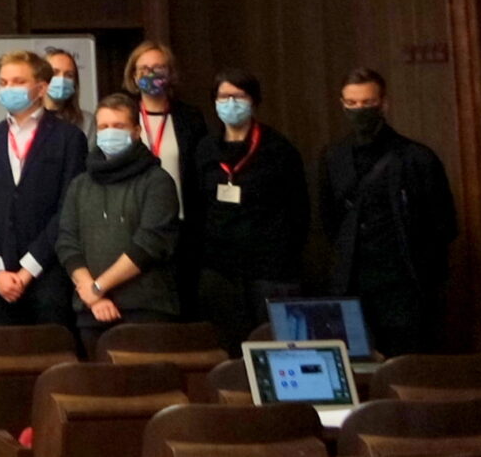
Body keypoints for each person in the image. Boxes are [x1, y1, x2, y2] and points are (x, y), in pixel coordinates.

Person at [318, 68, 456, 356]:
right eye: (352, 104)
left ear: (384, 104)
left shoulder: (416, 158)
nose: (359, 110)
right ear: (342, 104)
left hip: (404, 286)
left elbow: (444, 224)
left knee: (406, 367)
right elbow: (329, 219)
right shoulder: (334, 156)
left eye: (367, 103)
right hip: (351, 284)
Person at [190, 69, 309, 353]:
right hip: (219, 272)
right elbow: (196, 208)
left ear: (253, 100)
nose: (230, 103)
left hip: (268, 272)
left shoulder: (278, 149)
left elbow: (298, 213)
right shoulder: (205, 149)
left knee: (272, 348)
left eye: (238, 96)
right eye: (223, 96)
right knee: (227, 351)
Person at [0, 50, 90, 332]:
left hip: (47, 271)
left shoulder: (68, 138)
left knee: (51, 360)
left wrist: (28, 270)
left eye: (17, 81)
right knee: (7, 365)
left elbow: (68, 209)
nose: (8, 89)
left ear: (41, 88)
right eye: (3, 83)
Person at [57, 94, 182, 350]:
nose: (109, 133)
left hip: (145, 310)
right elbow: (67, 242)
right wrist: (92, 296)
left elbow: (149, 244)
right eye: (103, 127)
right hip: (90, 313)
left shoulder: (157, 181)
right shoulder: (81, 184)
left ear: (136, 132)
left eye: (119, 126)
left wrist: (99, 286)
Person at [121, 42, 210, 322]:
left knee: (184, 306)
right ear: (133, 76)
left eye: (158, 68)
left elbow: (200, 172)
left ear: (170, 74)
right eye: (143, 68)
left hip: (182, 227)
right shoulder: (123, 116)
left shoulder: (190, 118)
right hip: (134, 227)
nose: (150, 74)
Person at [44, 47, 87, 130]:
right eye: (55, 73)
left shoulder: (86, 121)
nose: (62, 79)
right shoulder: (28, 119)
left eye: (69, 75)